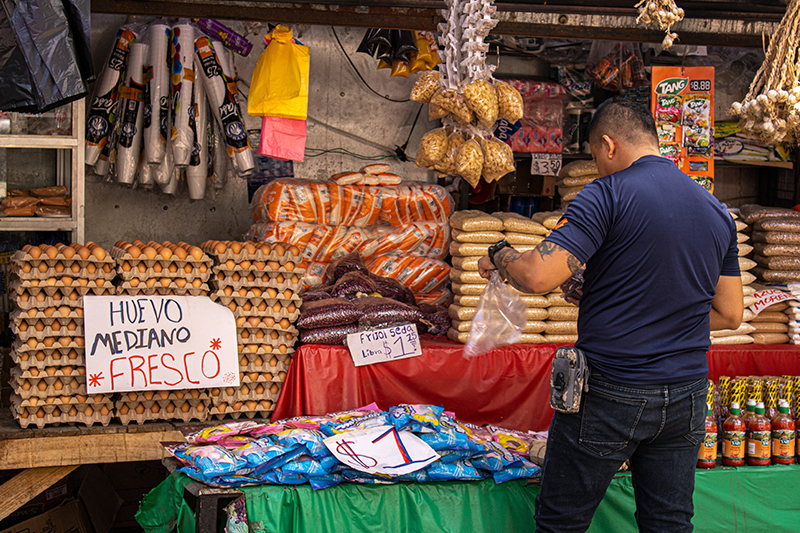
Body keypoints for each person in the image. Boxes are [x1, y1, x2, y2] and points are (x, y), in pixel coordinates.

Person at [478, 97, 743, 533]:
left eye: (596, 156)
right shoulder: (715, 209)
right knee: (669, 523)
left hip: (612, 390)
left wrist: (500, 254)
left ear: (608, 144)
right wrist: (618, 300)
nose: (598, 166)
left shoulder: (607, 194)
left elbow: (537, 276)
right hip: (688, 394)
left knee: (562, 521)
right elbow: (730, 313)